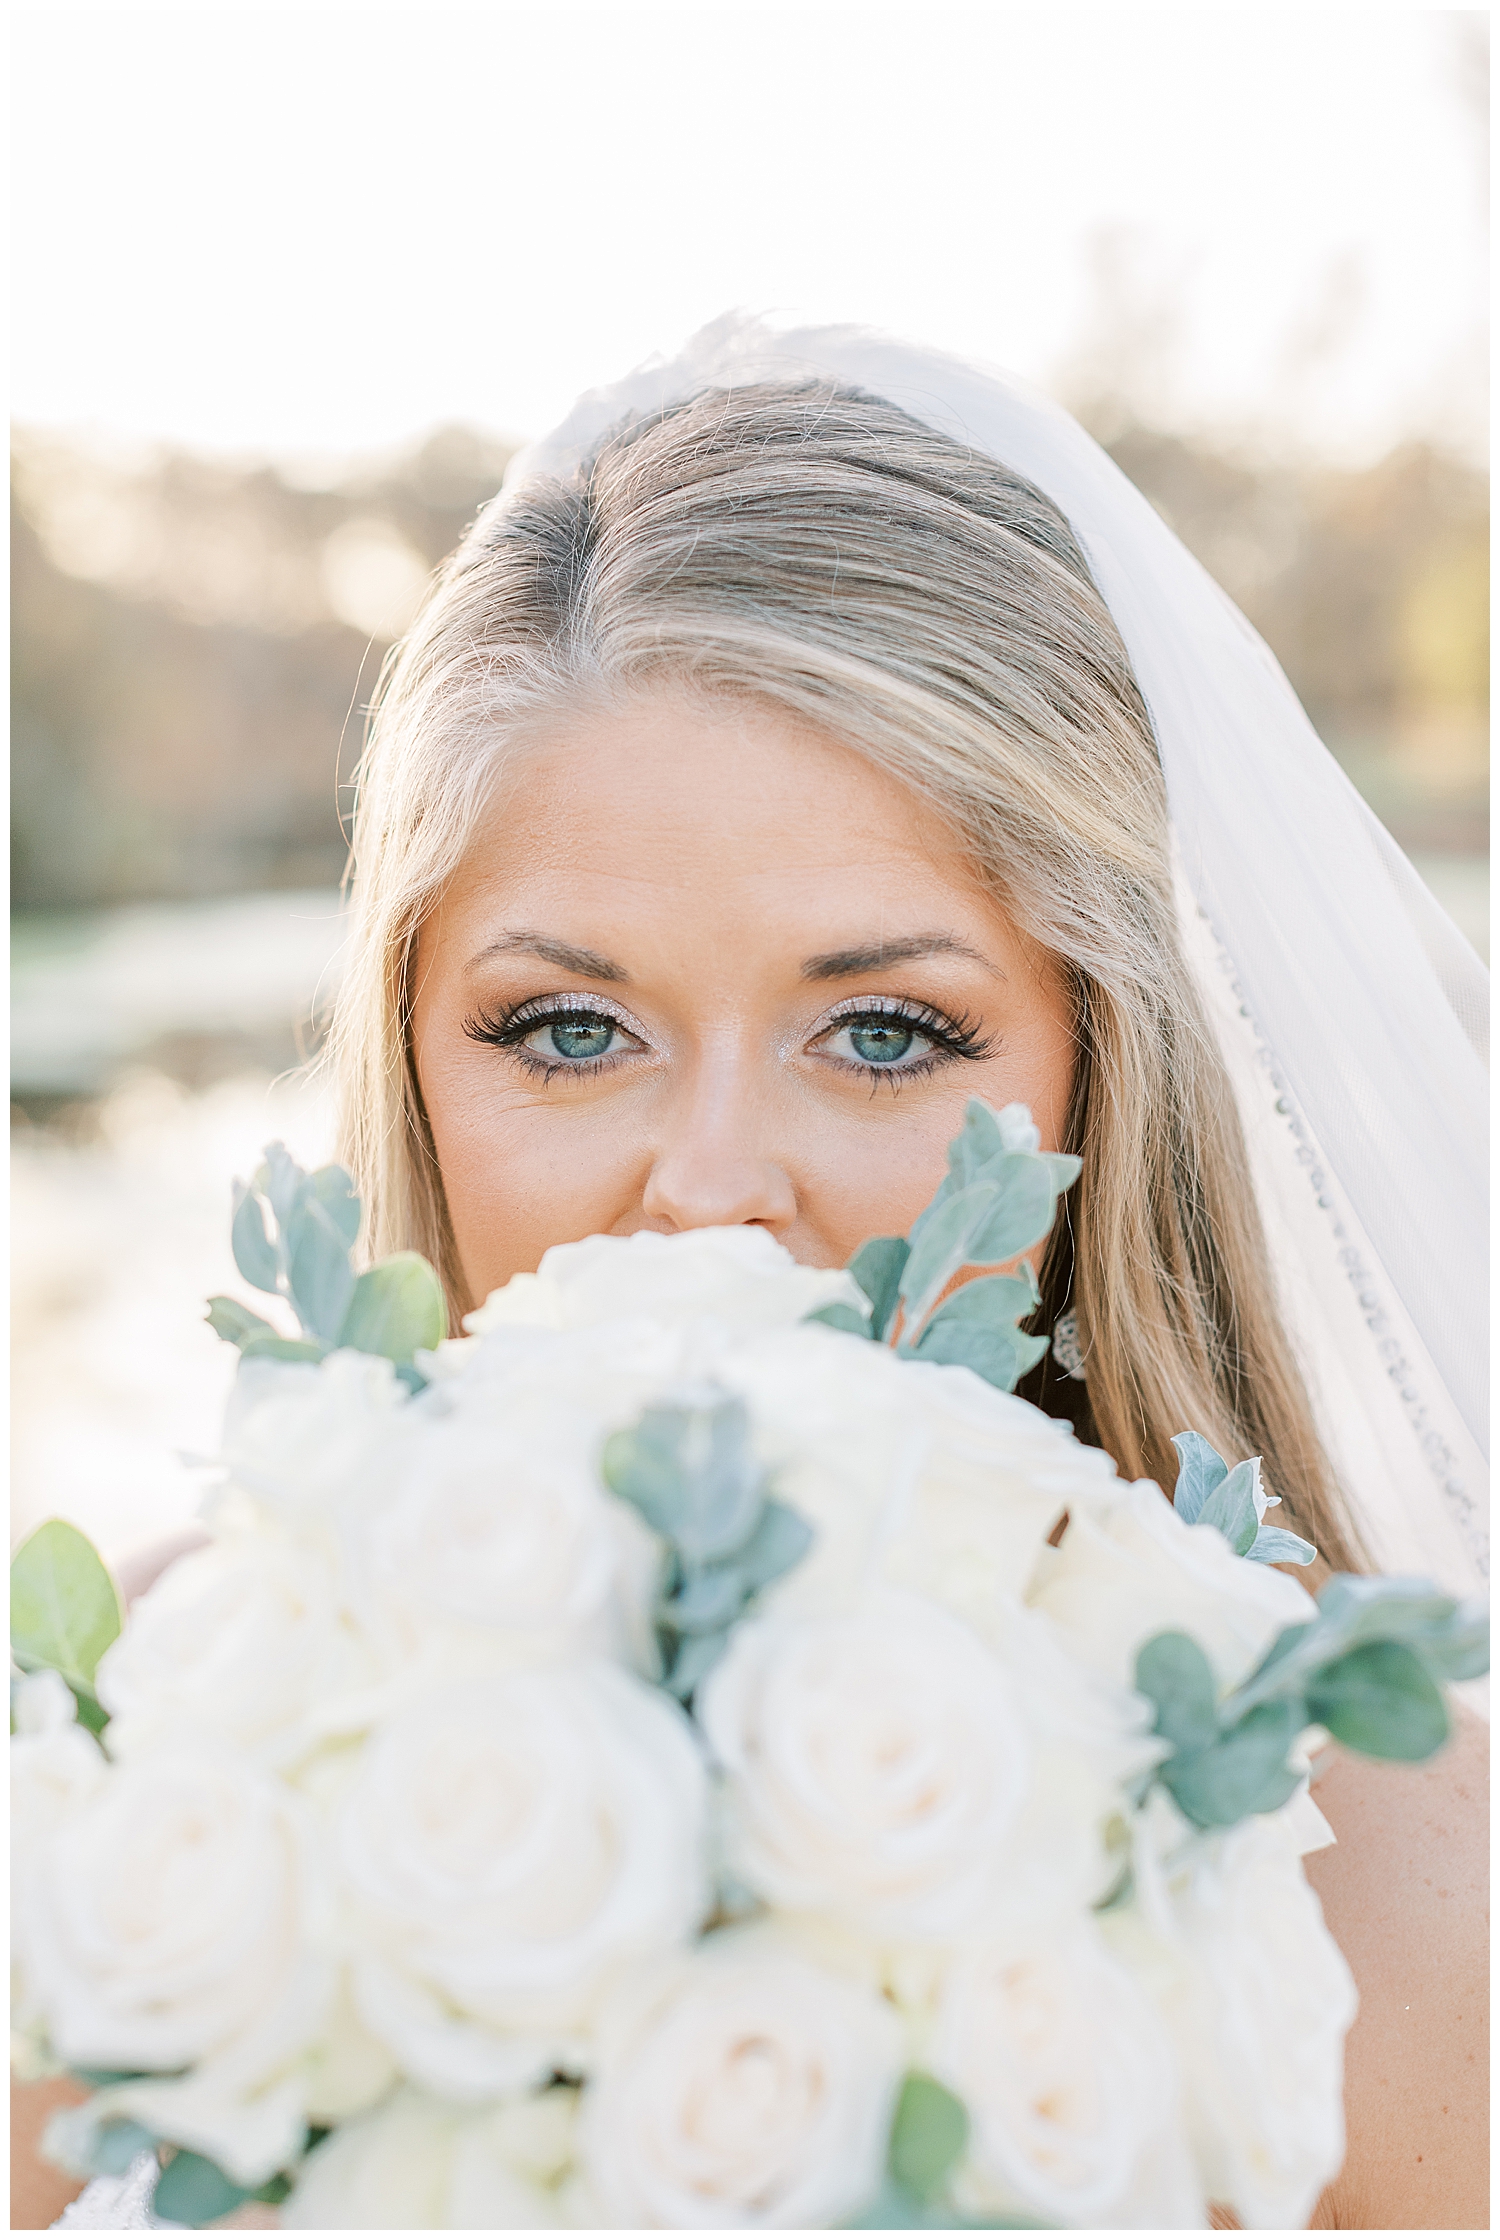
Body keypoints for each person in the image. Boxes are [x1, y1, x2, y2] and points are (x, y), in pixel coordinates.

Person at [22, 321, 1487, 2230]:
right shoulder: (140, 1749)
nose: (710, 1193)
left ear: (1094, 1076)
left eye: (883, 1033)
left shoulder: (1401, 1877)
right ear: (409, 1059)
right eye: (563, 1029)